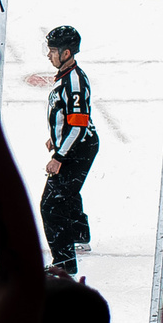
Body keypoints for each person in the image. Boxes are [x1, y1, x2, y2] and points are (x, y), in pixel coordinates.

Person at [40, 24, 95, 276]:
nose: (49, 55)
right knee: (67, 192)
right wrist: (55, 138)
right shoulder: (65, 74)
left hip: (78, 148)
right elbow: (65, 117)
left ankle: (64, 263)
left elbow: (78, 125)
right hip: (75, 144)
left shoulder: (74, 81)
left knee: (52, 204)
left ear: (67, 53)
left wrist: (60, 156)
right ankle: (79, 236)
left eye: (53, 51)